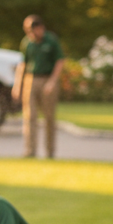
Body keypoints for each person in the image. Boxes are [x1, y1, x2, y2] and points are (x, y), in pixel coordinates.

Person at [12, 14, 66, 159]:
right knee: (30, 116)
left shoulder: (51, 40)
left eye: (33, 30)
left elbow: (59, 61)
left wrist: (53, 81)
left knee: (49, 117)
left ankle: (50, 152)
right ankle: (30, 151)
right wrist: (18, 85)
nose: (31, 34)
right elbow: (23, 64)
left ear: (40, 28)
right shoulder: (27, 43)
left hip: (47, 78)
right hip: (31, 79)